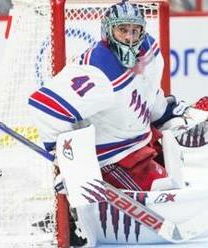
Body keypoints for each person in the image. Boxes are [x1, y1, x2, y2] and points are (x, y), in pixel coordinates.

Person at [28, 0, 190, 192]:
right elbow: (44, 106)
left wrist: (164, 113)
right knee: (165, 194)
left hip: (142, 144)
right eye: (122, 29)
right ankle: (77, 218)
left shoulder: (149, 51)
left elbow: (149, 91)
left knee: (178, 181)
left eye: (135, 30)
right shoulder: (98, 70)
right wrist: (69, 163)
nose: (130, 38)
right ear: (108, 31)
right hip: (113, 160)